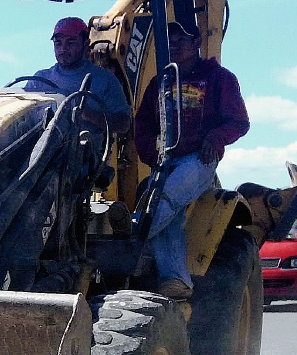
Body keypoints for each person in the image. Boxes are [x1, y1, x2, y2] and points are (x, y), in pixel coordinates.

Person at [134, 21, 250, 300]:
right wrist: (151, 153)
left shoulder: (219, 78)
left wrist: (215, 138)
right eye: (170, 40)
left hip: (198, 159)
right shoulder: (160, 82)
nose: (175, 45)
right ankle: (176, 281)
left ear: (197, 42)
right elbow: (144, 123)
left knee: (165, 199)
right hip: (165, 159)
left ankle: (134, 238)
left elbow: (239, 122)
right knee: (170, 213)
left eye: (181, 40)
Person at [25, 17, 132, 142]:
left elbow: (124, 124)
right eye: (58, 43)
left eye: (70, 43)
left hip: (87, 159)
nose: (63, 49)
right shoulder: (38, 81)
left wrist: (90, 114)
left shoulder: (104, 80)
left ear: (86, 44)